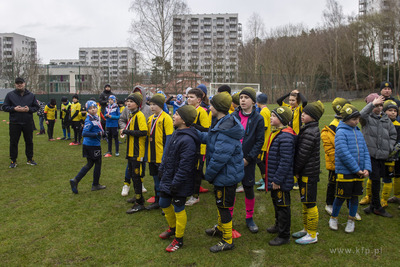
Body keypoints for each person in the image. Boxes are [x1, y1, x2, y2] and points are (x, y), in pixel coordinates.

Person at [198, 92, 244, 253]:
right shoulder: (222, 122)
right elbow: (211, 139)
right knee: (220, 204)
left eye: (211, 105)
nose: (209, 107)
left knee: (224, 206)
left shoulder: (226, 128)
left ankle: (227, 240)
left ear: (217, 108)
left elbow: (219, 158)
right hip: (224, 175)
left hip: (225, 176)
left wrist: (208, 175)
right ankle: (220, 229)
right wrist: (196, 133)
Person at [158, 105, 199, 252]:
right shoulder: (176, 133)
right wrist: (162, 169)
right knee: (163, 202)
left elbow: (185, 166)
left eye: (176, 114)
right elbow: (167, 154)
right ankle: (172, 228)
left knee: (178, 207)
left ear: (184, 120)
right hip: (168, 178)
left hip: (180, 182)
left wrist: (176, 183)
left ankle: (179, 239)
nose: (173, 116)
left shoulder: (188, 140)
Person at [329, 104, 371, 233]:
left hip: (359, 173)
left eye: (358, 119)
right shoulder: (340, 132)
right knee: (340, 197)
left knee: (354, 198)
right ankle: (333, 218)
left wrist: (366, 168)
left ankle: (351, 220)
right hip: (346, 173)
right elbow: (343, 152)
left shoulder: (358, 132)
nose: (357, 121)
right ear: (346, 119)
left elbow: (365, 151)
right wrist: (356, 169)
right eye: (354, 119)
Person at [232, 87, 265, 233]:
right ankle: (228, 218)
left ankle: (249, 218)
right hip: (232, 159)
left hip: (248, 161)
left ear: (253, 101)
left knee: (248, 188)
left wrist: (249, 158)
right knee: (231, 188)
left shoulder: (258, 118)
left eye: (246, 97)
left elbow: (259, 141)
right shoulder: (233, 115)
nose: (243, 100)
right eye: (241, 97)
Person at [292, 101, 324, 245]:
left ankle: (312, 234)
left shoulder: (310, 132)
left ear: (314, 117)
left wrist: (296, 170)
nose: (302, 115)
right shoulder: (308, 129)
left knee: (310, 203)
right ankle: (306, 229)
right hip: (305, 172)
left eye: (306, 113)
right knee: (305, 202)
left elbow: (302, 155)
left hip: (308, 173)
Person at [361, 94, 396, 218]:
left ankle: (372, 205)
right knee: (375, 180)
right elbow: (360, 115)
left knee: (377, 180)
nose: (379, 108)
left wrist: (389, 147)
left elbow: (393, 134)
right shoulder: (367, 118)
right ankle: (377, 207)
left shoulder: (386, 119)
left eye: (381, 105)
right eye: (377, 105)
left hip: (382, 156)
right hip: (371, 155)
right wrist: (372, 104)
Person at [265, 106, 296, 246]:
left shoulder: (286, 137)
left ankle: (284, 235)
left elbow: (285, 161)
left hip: (281, 181)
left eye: (274, 116)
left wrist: (277, 180)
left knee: (283, 206)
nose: (271, 118)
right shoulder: (278, 133)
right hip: (275, 179)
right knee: (277, 204)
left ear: (282, 120)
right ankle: (278, 226)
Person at [142, 93, 173, 210]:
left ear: (161, 105)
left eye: (154, 104)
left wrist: (165, 156)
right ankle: (157, 200)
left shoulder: (166, 118)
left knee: (164, 180)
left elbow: (169, 139)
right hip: (152, 155)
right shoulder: (150, 118)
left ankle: (166, 203)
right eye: (150, 104)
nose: (152, 107)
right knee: (155, 179)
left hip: (162, 156)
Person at [119, 86, 151, 195]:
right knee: (131, 163)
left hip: (143, 141)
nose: (128, 103)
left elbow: (147, 127)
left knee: (142, 162)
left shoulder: (147, 109)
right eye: (128, 101)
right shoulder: (127, 109)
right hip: (132, 141)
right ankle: (126, 184)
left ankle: (139, 183)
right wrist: (124, 129)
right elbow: (122, 120)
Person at [69, 100, 106, 194]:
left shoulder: (95, 117)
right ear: (87, 110)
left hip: (91, 144)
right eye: (90, 108)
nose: (93, 110)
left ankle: (76, 180)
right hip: (92, 145)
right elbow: (84, 133)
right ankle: (95, 184)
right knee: (97, 163)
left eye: (94, 108)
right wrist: (97, 133)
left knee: (90, 164)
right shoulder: (89, 119)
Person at [3, 77, 40, 168]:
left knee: (29, 142)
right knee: (13, 142)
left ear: (24, 83)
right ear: (15, 84)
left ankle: (30, 159)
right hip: (15, 123)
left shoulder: (31, 95)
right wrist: (14, 109)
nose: (19, 84)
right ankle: (13, 161)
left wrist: (29, 109)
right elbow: (4, 107)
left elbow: (36, 107)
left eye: (21, 83)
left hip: (27, 122)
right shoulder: (10, 95)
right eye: (17, 83)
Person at [121, 93, 148, 214]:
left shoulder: (140, 115)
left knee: (137, 176)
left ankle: (140, 203)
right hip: (131, 151)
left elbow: (143, 132)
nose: (128, 103)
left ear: (137, 104)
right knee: (132, 175)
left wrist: (127, 131)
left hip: (138, 152)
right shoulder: (132, 115)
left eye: (131, 101)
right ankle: (138, 197)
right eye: (127, 101)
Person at [185, 88, 211, 206]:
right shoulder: (185, 110)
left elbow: (206, 130)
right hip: (186, 146)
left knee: (196, 171)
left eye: (191, 97)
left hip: (198, 148)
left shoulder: (201, 111)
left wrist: (192, 125)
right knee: (187, 170)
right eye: (187, 97)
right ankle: (188, 192)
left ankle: (195, 196)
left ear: (199, 100)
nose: (188, 99)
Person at [381, 100, 400, 207]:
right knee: (373, 177)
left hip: (390, 158)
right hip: (379, 156)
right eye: (390, 110)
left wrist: (389, 154)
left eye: (395, 111)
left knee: (388, 178)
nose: (393, 113)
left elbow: (398, 144)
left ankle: (384, 199)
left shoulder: (398, 126)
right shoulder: (381, 123)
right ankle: (369, 196)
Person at [254, 93, 271, 191]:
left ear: (258, 101)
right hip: (264, 142)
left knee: (260, 162)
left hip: (263, 143)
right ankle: (264, 179)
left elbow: (264, 127)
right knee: (263, 161)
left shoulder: (263, 112)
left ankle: (266, 181)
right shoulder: (265, 110)